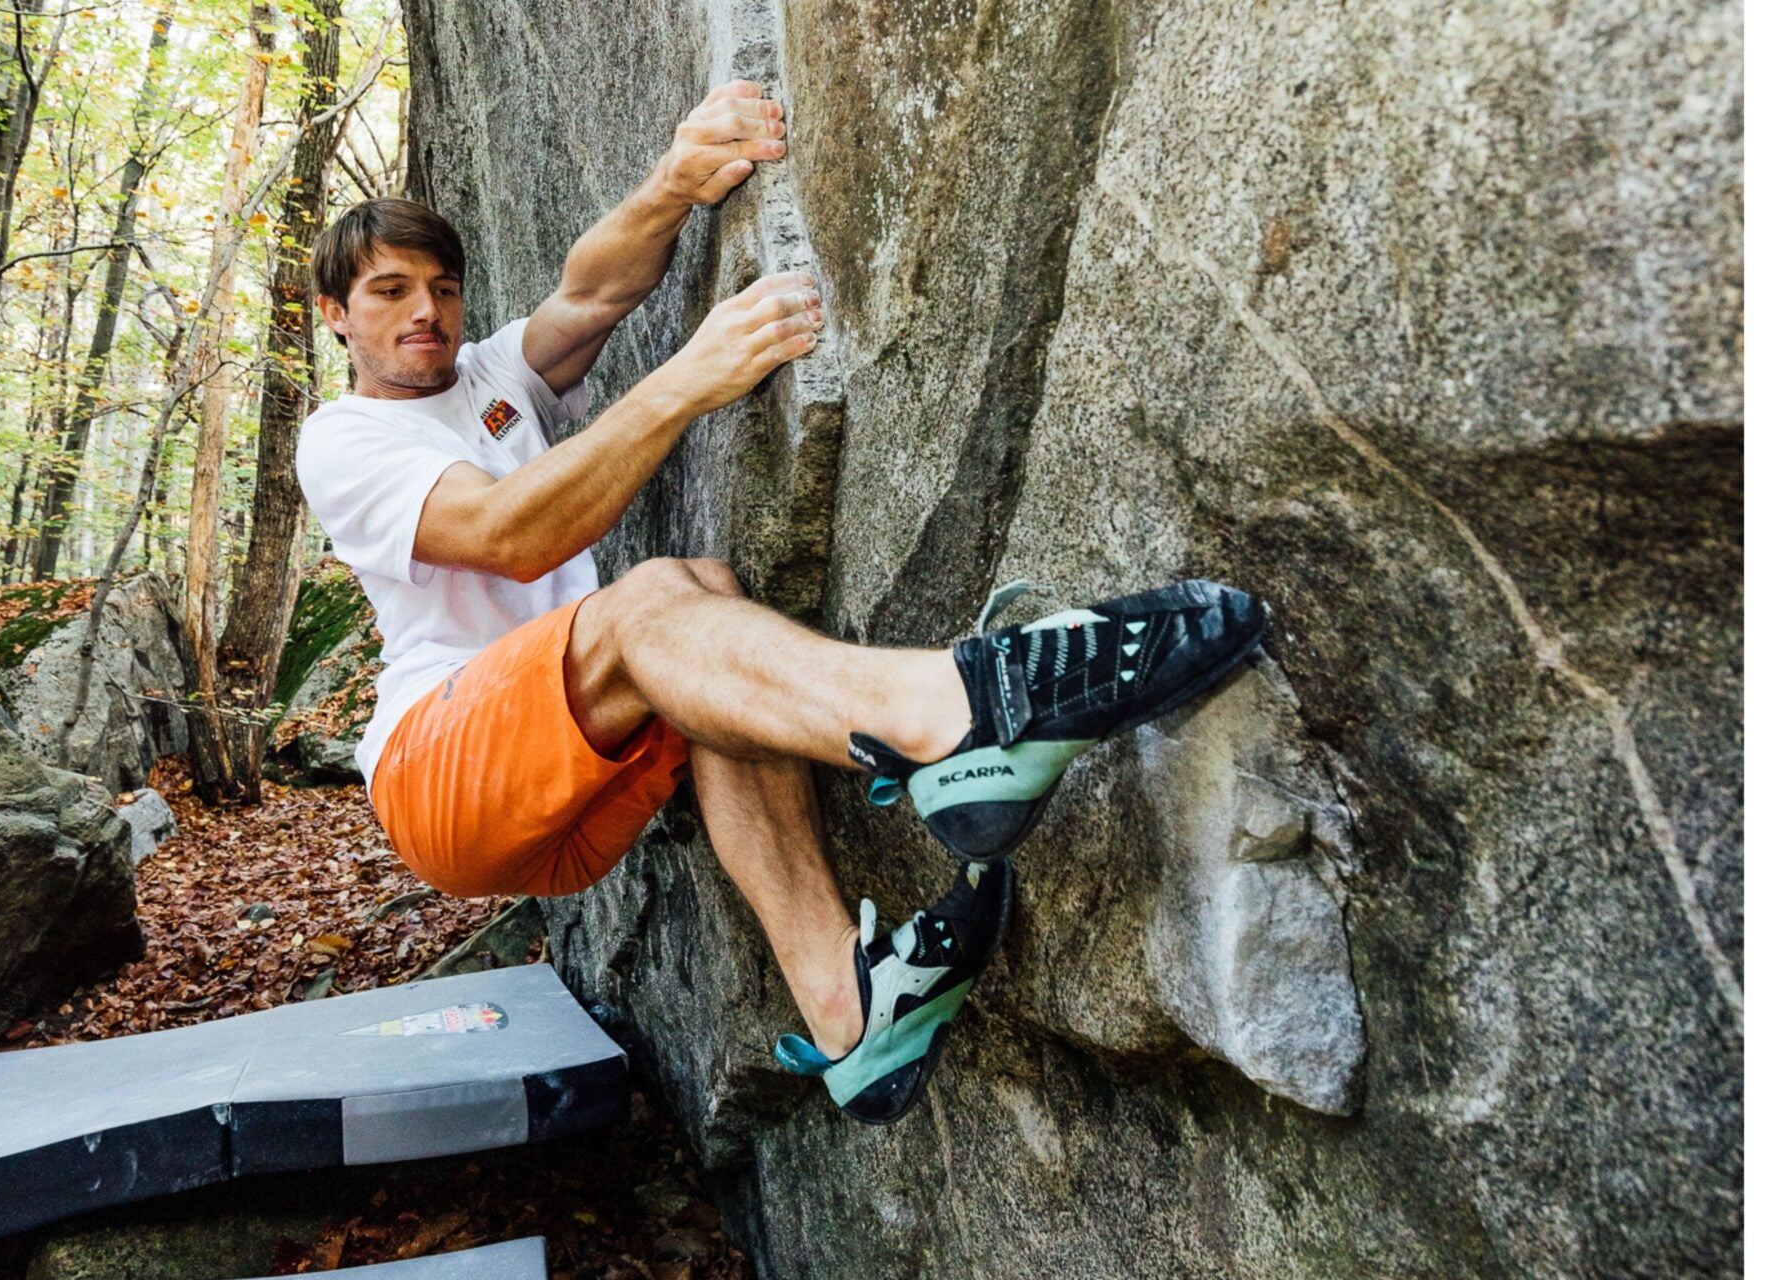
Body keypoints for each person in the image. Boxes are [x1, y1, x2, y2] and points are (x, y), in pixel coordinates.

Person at [296, 82, 1267, 1123]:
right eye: (389, 291)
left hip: (567, 792)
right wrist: (686, 379)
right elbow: (506, 532)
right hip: (438, 779)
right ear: (335, 315)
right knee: (649, 601)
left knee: (707, 615)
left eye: (439, 286)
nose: (424, 310)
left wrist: (676, 178)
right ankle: (955, 714)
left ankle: (847, 1006)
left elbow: (589, 293)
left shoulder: (487, 375)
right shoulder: (346, 439)